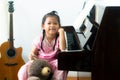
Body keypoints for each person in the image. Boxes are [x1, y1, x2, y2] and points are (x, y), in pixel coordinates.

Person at [18, 11, 68, 80]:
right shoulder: (40, 38)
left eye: (55, 23)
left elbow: (63, 49)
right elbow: (33, 53)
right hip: (40, 62)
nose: (52, 25)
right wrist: (32, 56)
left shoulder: (59, 38)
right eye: (49, 23)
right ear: (43, 26)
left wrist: (62, 32)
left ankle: (55, 78)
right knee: (24, 68)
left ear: (59, 26)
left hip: (52, 62)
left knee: (62, 64)